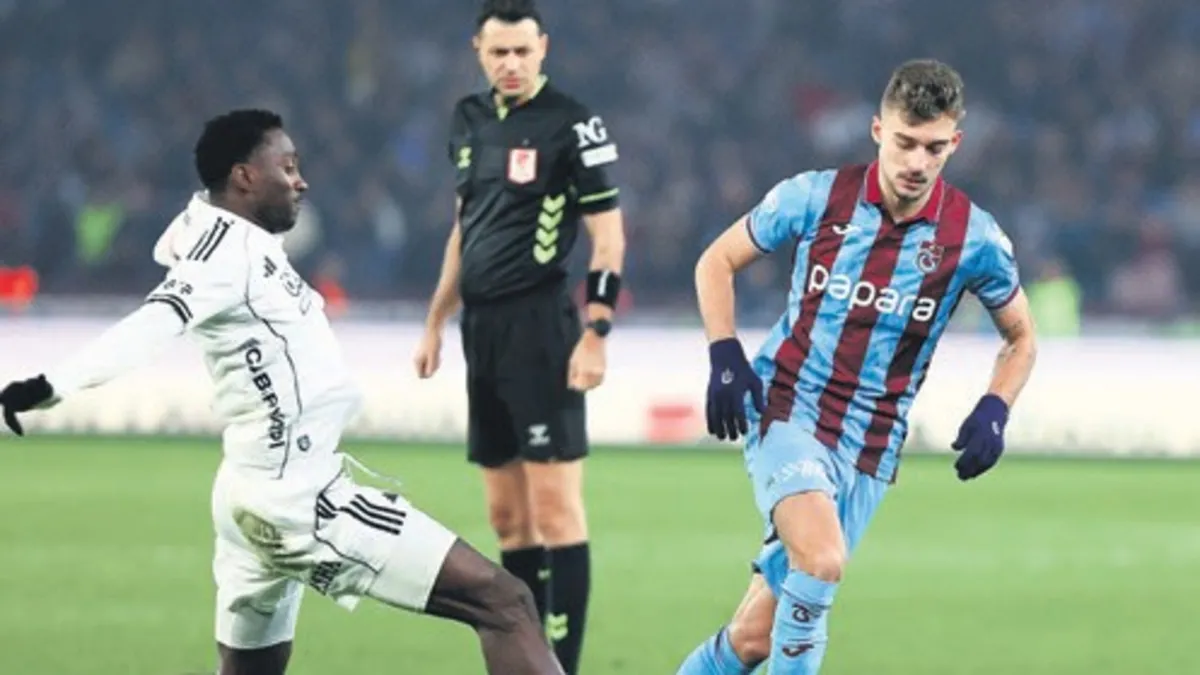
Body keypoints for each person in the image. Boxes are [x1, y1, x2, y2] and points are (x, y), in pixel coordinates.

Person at [0, 109, 564, 675]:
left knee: (254, 668)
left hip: (251, 491)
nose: (302, 181)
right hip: (300, 498)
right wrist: (53, 385)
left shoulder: (237, 239)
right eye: (288, 167)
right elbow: (155, 321)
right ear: (244, 177)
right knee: (505, 603)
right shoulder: (225, 256)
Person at [675, 59, 1039, 674]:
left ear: (955, 143)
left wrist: (995, 407)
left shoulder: (973, 238)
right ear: (877, 130)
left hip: (870, 445)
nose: (917, 161)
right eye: (904, 142)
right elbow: (716, 261)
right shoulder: (815, 196)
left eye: (933, 148)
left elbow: (1021, 337)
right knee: (821, 561)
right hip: (788, 409)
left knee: (755, 636)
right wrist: (725, 354)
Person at [412, 1, 626, 672]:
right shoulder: (467, 120)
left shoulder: (572, 123)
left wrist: (596, 331)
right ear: (478, 50)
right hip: (481, 331)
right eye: (498, 52)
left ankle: (565, 665)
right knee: (508, 519)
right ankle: (529, 661)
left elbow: (608, 236)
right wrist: (436, 319)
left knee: (557, 511)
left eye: (522, 51)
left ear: (544, 50)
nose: (511, 63)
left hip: (542, 329)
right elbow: (465, 228)